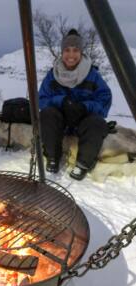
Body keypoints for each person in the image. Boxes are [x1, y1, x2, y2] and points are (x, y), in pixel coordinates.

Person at [39, 28, 112, 180]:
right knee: (47, 114)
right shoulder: (52, 75)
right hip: (61, 120)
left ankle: (83, 164)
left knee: (97, 122)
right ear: (62, 52)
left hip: (83, 120)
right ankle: (52, 157)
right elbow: (42, 99)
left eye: (75, 50)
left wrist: (85, 106)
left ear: (81, 52)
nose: (71, 55)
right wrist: (61, 101)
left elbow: (104, 101)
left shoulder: (92, 75)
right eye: (67, 50)